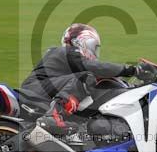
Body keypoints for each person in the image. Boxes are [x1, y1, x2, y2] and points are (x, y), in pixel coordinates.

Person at [20, 23, 150, 143]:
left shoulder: (68, 59)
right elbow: (94, 67)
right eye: (93, 46)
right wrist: (131, 70)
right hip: (36, 89)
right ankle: (54, 116)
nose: (95, 51)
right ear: (80, 42)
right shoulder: (67, 52)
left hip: (44, 89)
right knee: (85, 77)